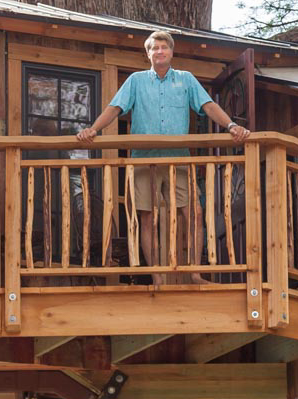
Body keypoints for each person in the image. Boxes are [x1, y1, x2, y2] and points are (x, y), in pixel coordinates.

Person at [76, 30, 250, 283]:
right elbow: (115, 107)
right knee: (147, 217)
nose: (159, 51)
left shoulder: (186, 79)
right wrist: (93, 129)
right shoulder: (136, 80)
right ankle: (157, 276)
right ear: (148, 53)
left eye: (164, 47)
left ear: (171, 52)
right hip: (144, 159)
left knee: (194, 213)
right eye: (154, 48)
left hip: (178, 158)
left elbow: (208, 106)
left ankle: (194, 273)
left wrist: (232, 126)